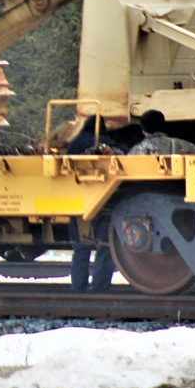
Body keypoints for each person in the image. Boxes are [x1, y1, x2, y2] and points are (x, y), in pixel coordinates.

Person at [66, 115, 124, 292]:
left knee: (80, 249)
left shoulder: (74, 145)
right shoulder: (110, 144)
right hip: (105, 203)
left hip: (78, 203)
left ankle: (78, 286)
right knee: (105, 247)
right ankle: (99, 287)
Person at [127, 109, 195, 155]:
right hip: (177, 187)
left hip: (144, 187)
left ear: (143, 129)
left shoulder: (135, 151)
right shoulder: (181, 145)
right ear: (163, 126)